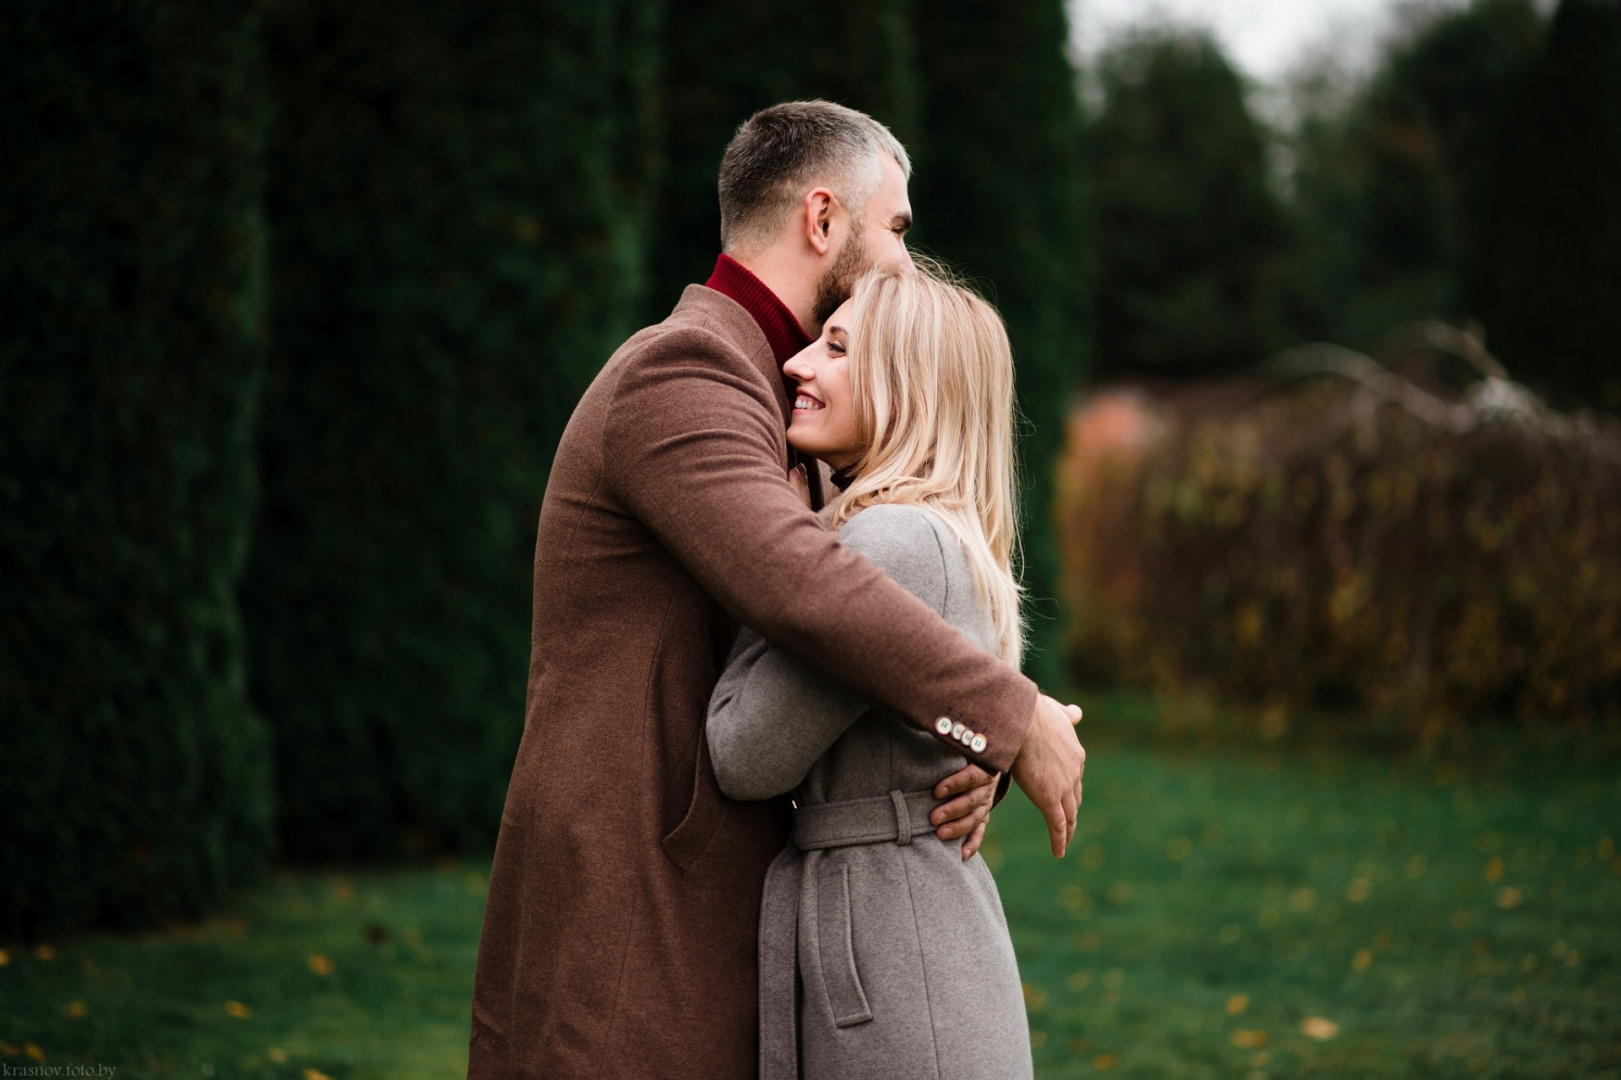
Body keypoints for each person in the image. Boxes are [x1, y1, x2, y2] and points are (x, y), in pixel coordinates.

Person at [467, 101, 1085, 1080]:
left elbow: (877, 607)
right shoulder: (686, 372)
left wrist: (969, 742)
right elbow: (802, 585)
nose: (906, 266)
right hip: (634, 886)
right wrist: (1007, 713)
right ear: (823, 220)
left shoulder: (781, 397)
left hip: (728, 890)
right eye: (897, 229)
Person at [708, 265, 1035, 1080]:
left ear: (906, 385)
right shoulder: (928, 532)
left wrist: (770, 560)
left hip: (898, 967)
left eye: (836, 348)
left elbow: (744, 756)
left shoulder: (890, 544)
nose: (796, 363)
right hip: (904, 944)